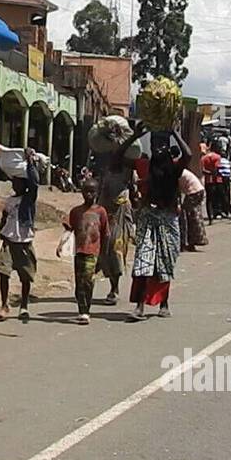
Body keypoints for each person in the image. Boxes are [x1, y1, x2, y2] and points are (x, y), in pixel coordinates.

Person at [128, 132, 190, 321]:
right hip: (148, 217)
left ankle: (164, 303)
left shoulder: (174, 168)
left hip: (169, 218)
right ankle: (139, 306)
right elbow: (122, 156)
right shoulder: (146, 167)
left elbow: (188, 155)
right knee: (143, 260)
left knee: (165, 261)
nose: (159, 148)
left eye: (163, 145)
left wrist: (175, 133)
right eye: (155, 145)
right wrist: (136, 136)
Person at [0, 146, 40, 322]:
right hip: (9, 241)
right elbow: (4, 217)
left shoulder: (29, 199)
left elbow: (35, 182)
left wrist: (30, 162)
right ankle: (4, 305)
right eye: (13, 182)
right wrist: (2, 233)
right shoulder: (10, 200)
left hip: (24, 241)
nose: (15, 184)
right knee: (3, 272)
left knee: (25, 276)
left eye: (18, 182)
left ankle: (24, 305)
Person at [95, 135, 138, 304]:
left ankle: (115, 287)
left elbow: (134, 192)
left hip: (121, 213)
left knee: (116, 249)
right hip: (105, 212)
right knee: (104, 250)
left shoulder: (128, 170)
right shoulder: (106, 169)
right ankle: (108, 281)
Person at [63, 178, 109, 324]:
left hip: (93, 252)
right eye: (86, 191)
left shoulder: (101, 212)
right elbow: (69, 230)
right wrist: (61, 244)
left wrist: (103, 255)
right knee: (79, 282)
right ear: (82, 193)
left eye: (92, 191)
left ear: (97, 193)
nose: (89, 194)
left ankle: (85, 311)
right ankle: (81, 308)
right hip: (79, 252)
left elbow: (105, 234)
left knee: (88, 281)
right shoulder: (76, 211)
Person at [178, 164, 208, 252]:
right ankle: (193, 241)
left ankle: (187, 242)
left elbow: (176, 192)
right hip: (198, 190)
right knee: (194, 217)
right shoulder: (181, 170)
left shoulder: (177, 172)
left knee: (187, 217)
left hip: (194, 192)